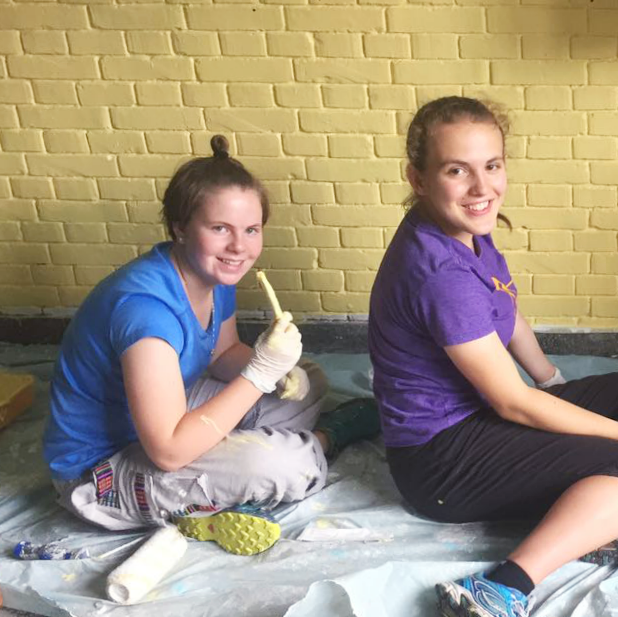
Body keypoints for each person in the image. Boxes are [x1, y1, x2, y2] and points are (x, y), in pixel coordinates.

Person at [370, 96, 618, 617]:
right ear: (417, 178)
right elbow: (512, 404)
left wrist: (551, 381)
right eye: (457, 171)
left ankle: (591, 518)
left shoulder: (467, 230)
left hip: (477, 420)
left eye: (492, 166)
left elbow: (504, 309)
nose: (482, 189)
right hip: (440, 464)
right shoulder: (440, 274)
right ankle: (504, 588)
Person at [43, 136, 379, 555]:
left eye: (251, 229)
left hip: (168, 410)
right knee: (288, 465)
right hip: (102, 470)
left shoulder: (211, 274)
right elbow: (166, 451)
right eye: (220, 228)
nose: (239, 247)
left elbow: (221, 355)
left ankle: (220, 478)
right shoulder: (146, 312)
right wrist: (259, 373)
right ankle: (326, 440)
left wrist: (278, 369)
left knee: (307, 379)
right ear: (180, 227)